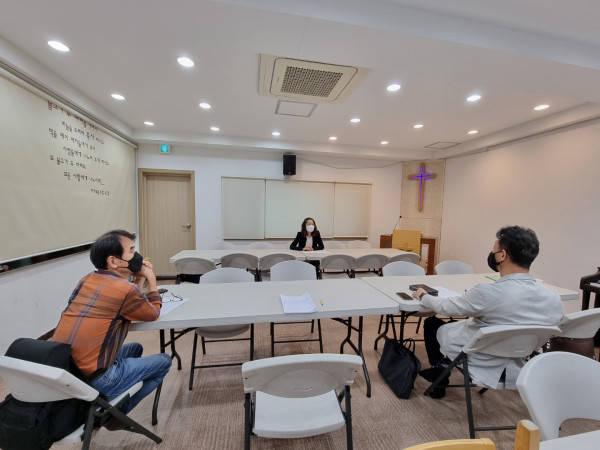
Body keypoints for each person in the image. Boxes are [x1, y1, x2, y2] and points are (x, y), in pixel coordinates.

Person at [413, 225, 563, 398]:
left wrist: (423, 295)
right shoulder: (553, 298)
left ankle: (440, 377)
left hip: (480, 361)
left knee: (432, 323)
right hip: (518, 365)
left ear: (502, 255)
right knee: (460, 325)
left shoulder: (487, 293)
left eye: (494, 249)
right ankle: (442, 367)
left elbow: (445, 308)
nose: (492, 253)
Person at [52, 230, 171, 425]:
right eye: (131, 251)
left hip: (69, 370)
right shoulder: (124, 290)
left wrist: (138, 280)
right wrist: (151, 278)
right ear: (114, 261)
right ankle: (114, 417)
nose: (137, 256)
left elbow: (128, 298)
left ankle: (117, 393)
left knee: (135, 349)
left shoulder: (87, 279)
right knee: (164, 361)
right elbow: (153, 313)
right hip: (96, 378)